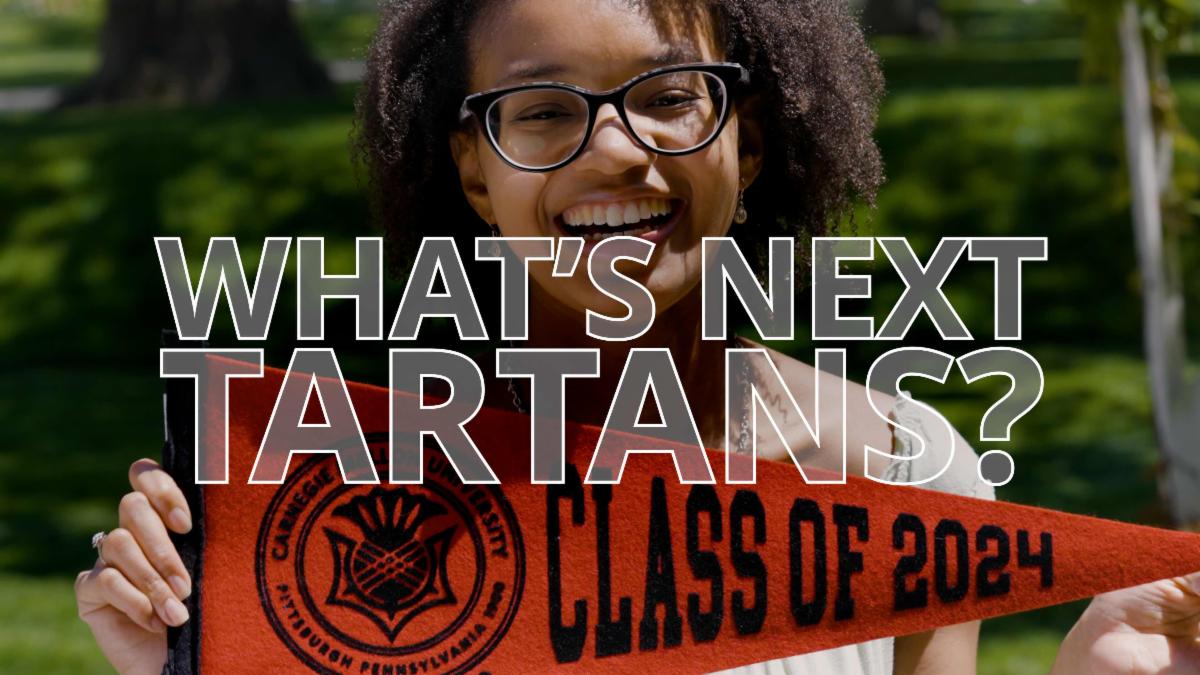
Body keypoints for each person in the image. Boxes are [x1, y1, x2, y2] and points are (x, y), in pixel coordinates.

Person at [75, 1, 1200, 673]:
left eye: (669, 96)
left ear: (748, 144)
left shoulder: (911, 472)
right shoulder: (347, 499)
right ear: (471, 168)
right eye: (544, 110)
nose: (616, 151)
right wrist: (184, 655)